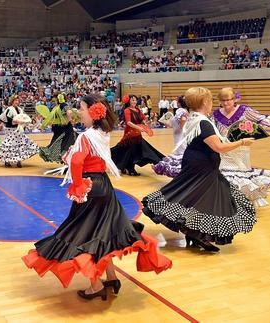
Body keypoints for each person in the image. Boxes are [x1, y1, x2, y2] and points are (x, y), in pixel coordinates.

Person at [23, 94, 172, 301]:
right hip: (104, 186)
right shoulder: (101, 131)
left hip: (90, 186)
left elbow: (77, 162)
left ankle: (95, 286)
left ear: (93, 112)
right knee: (104, 233)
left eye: (82, 108)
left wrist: (77, 185)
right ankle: (111, 278)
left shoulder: (86, 136)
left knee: (82, 236)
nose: (79, 112)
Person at [142, 87, 256, 252]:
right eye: (210, 101)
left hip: (200, 164)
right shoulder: (203, 122)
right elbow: (218, 147)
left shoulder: (194, 118)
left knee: (198, 197)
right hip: (202, 166)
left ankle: (195, 233)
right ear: (205, 102)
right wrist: (242, 142)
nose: (212, 104)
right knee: (205, 199)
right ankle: (197, 234)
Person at [212, 87, 270, 207]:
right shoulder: (216, 114)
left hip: (241, 150)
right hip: (224, 151)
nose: (225, 103)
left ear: (234, 98)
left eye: (228, 100)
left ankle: (241, 204)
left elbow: (262, 119)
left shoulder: (244, 111)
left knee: (242, 177)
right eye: (222, 101)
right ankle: (228, 204)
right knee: (225, 177)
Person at [110, 94, 164, 176]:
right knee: (127, 151)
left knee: (132, 152)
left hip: (137, 135)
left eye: (135, 100)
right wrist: (138, 127)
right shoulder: (127, 110)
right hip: (130, 135)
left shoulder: (138, 110)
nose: (134, 101)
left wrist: (146, 122)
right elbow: (128, 123)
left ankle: (128, 167)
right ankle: (128, 168)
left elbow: (143, 118)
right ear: (128, 101)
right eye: (132, 100)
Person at [0, 95, 39, 168]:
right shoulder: (9, 109)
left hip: (19, 129)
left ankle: (19, 160)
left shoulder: (20, 109)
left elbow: (24, 117)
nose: (17, 102)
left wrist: (25, 122)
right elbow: (9, 121)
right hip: (11, 130)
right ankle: (7, 160)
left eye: (18, 100)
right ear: (12, 101)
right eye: (15, 100)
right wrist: (17, 121)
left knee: (20, 145)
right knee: (10, 145)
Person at [153, 97, 189, 178]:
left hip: (180, 135)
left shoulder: (180, 110)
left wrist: (180, 128)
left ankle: (163, 169)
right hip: (182, 135)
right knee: (181, 153)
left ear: (179, 103)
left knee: (180, 154)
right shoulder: (186, 111)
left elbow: (183, 119)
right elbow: (176, 122)